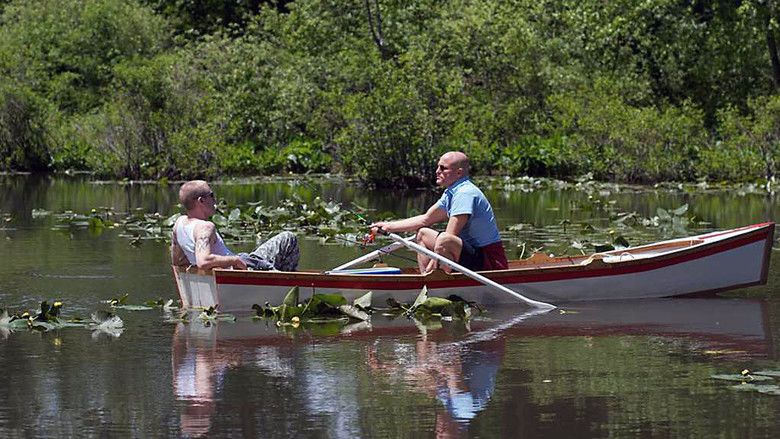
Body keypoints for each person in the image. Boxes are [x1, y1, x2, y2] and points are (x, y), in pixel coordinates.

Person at [370, 151, 508, 273]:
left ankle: (431, 278)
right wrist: (388, 226)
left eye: (443, 168)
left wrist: (433, 264)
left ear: (459, 173)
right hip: (471, 255)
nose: (437, 171)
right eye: (438, 166)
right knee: (423, 233)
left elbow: (449, 236)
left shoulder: (465, 193)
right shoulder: (452, 192)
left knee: (445, 239)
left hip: (491, 262)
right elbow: (425, 219)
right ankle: (428, 278)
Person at [171, 180, 299, 271]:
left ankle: (277, 275)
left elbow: (178, 261)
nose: (215, 199)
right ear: (201, 201)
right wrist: (234, 260)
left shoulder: (179, 223)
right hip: (241, 268)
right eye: (212, 195)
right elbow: (203, 261)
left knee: (248, 256)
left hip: (239, 264)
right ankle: (286, 284)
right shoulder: (205, 227)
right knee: (288, 238)